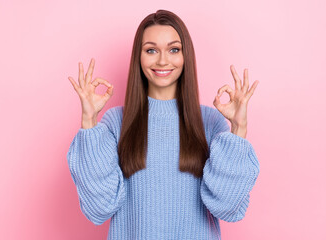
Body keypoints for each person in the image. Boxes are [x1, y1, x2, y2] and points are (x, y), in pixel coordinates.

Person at [67, 9, 260, 240]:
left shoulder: (210, 122)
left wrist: (238, 129)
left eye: (173, 49)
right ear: (139, 57)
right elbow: (99, 207)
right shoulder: (116, 122)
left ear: (185, 55)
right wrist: (89, 121)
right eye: (151, 50)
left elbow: (227, 206)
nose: (162, 60)